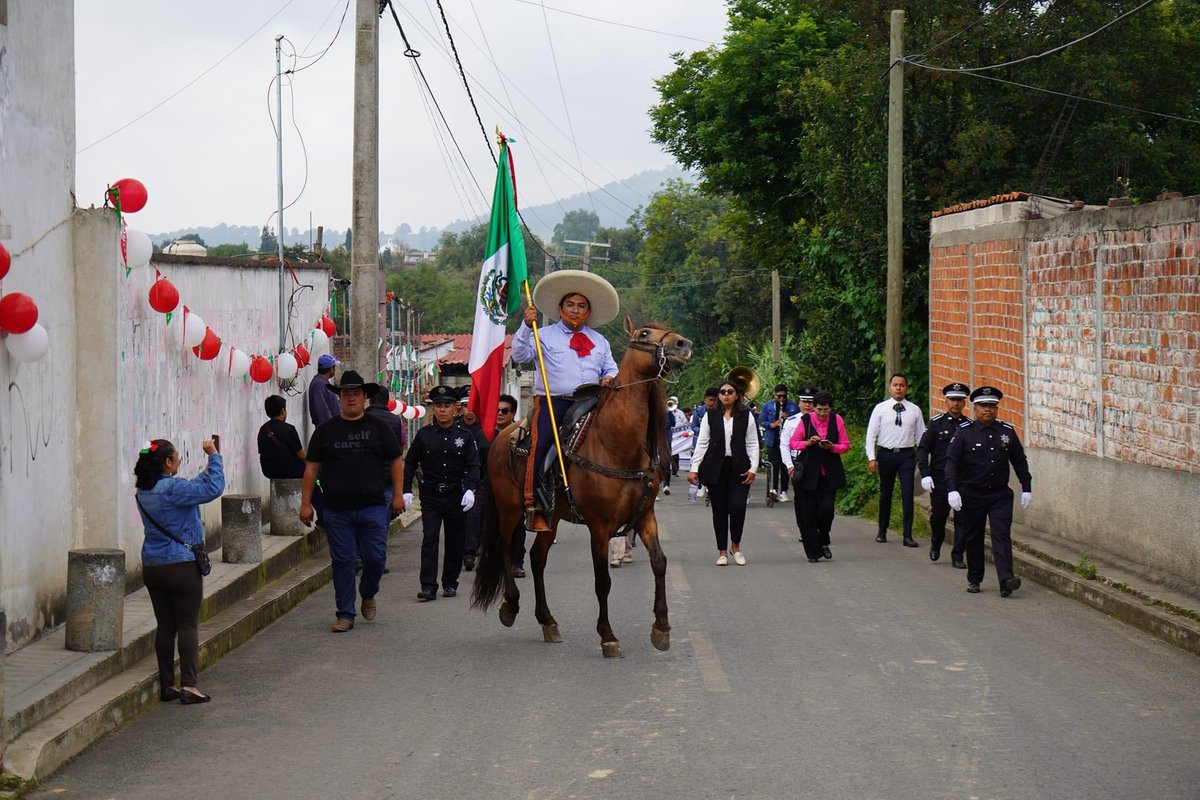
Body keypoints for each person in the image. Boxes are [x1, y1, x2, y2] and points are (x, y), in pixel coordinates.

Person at [510, 270, 619, 532]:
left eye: (581, 305)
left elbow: (611, 368)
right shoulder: (543, 334)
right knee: (542, 444)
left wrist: (610, 379)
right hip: (554, 403)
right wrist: (526, 325)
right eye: (570, 304)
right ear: (560, 308)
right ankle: (533, 503)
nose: (575, 309)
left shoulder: (599, 340)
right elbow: (519, 353)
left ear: (588, 311)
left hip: (592, 404)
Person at [301, 370, 405, 632]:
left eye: (355, 394)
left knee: (375, 559)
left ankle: (368, 592)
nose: (350, 399)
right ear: (339, 399)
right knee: (343, 562)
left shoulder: (379, 428)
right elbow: (312, 468)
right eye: (345, 394)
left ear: (365, 398)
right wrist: (305, 503)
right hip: (337, 509)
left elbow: (395, 461)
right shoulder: (325, 431)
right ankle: (345, 613)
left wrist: (398, 495)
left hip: (373, 506)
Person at [134, 437, 224, 704]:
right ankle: (190, 685)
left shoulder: (143, 491)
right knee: (187, 624)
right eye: (176, 459)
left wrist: (203, 474)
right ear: (168, 462)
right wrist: (214, 456)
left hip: (153, 566)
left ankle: (167, 685)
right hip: (181, 565)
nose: (178, 464)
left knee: (165, 626)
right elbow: (213, 488)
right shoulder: (174, 488)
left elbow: (195, 486)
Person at [945, 386, 1033, 596]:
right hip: (971, 493)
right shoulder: (964, 432)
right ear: (975, 408)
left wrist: (1026, 487)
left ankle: (1006, 580)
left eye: (992, 406)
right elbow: (952, 462)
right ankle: (975, 578)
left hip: (999, 495)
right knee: (973, 536)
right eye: (984, 406)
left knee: (1001, 535)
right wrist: (952, 490)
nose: (988, 410)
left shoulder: (1006, 431)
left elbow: (1019, 461)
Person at [403, 385, 481, 600]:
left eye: (447, 406)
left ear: (455, 409)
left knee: (455, 540)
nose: (442, 410)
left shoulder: (464, 436)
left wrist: (471, 489)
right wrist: (406, 490)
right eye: (438, 406)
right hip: (431, 496)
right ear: (433, 409)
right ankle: (428, 585)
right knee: (429, 539)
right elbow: (410, 462)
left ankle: (450, 582)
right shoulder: (424, 435)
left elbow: (474, 465)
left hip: (456, 494)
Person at [688, 379, 760, 566]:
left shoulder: (746, 415)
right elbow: (702, 442)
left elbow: (752, 443)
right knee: (719, 510)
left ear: (737, 395)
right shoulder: (710, 415)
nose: (726, 395)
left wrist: (753, 468)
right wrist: (694, 468)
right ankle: (722, 552)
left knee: (737, 507)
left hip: (739, 467)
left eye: (730, 392)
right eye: (723, 392)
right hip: (716, 467)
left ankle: (735, 546)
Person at [783, 390, 850, 562]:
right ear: (813, 408)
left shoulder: (837, 420)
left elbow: (845, 445)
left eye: (825, 410)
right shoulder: (805, 421)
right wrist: (808, 443)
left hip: (829, 472)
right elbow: (793, 442)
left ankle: (824, 538)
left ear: (830, 408)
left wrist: (832, 447)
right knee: (808, 512)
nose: (821, 413)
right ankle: (813, 552)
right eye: (819, 409)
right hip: (808, 472)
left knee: (826, 510)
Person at [865, 372, 926, 547]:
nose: (898, 388)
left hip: (906, 455)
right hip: (886, 454)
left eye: (902, 385)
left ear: (906, 388)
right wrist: (872, 457)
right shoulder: (880, 408)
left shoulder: (914, 410)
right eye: (895, 385)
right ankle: (882, 530)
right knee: (886, 493)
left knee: (907, 494)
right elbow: (871, 434)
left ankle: (908, 534)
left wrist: (922, 458)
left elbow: (921, 436)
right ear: (889, 387)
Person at [917, 382, 971, 567]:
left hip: (963, 478)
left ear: (964, 403)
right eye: (952, 400)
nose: (955, 404)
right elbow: (923, 449)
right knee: (939, 516)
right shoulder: (936, 423)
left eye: (959, 400)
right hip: (939, 477)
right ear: (946, 401)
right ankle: (936, 541)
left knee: (962, 518)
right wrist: (925, 474)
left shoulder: (969, 426)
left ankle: (958, 555)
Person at [456, 387, 489, 572]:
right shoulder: (455, 426)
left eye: (473, 405)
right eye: (465, 405)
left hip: (481, 478)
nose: (469, 409)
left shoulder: (486, 425)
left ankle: (470, 553)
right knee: (460, 518)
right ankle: (462, 550)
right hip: (458, 477)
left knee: (476, 516)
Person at [494, 394, 526, 577]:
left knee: (517, 525)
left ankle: (517, 562)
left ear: (512, 413)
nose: (499, 414)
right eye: (497, 410)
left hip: (513, 486)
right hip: (488, 486)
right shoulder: (486, 432)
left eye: (504, 411)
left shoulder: (522, 434)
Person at [760, 384, 799, 502]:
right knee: (774, 466)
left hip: (787, 441)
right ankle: (774, 490)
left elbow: (798, 420)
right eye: (779, 396)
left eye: (784, 396)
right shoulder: (768, 406)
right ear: (775, 395)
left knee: (785, 466)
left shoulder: (792, 406)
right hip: (773, 440)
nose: (781, 399)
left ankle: (784, 491)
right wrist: (772, 425)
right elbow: (762, 420)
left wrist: (788, 417)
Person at [257, 394, 306, 479]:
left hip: (268, 471)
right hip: (289, 471)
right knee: (313, 470)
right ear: (283, 410)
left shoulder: (263, 429)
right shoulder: (289, 429)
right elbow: (301, 456)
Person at [689, 388, 719, 503]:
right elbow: (694, 426)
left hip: (715, 443)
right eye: (710, 400)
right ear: (705, 400)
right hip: (700, 441)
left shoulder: (720, 412)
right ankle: (701, 486)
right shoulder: (698, 412)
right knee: (700, 464)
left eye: (715, 400)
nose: (712, 403)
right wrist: (703, 430)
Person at [307, 354, 341, 428]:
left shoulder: (322, 382)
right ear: (330, 369)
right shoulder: (319, 384)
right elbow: (321, 410)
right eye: (334, 367)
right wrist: (330, 427)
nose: (335, 370)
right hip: (328, 429)